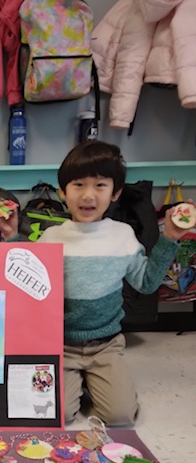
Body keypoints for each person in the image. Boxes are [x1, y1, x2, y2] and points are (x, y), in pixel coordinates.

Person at [38, 140, 186, 426]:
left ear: (115, 193)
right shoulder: (51, 237)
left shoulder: (123, 236)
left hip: (106, 345)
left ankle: (98, 380)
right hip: (61, 345)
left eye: (100, 185)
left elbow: (146, 283)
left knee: (119, 416)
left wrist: (170, 237)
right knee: (55, 413)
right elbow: (27, 284)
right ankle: (80, 382)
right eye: (78, 185)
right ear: (62, 192)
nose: (88, 195)